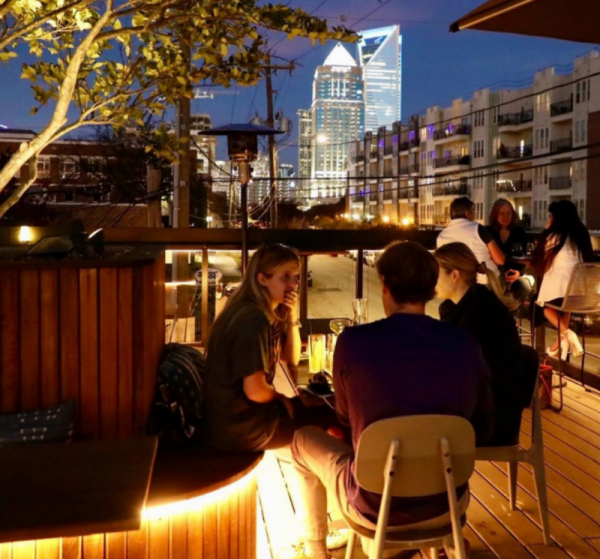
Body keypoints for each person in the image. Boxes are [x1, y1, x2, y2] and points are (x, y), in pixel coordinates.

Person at [287, 241, 494, 559]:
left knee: (302, 441)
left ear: (384, 285)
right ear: (431, 288)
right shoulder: (465, 343)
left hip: (373, 505)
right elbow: (483, 425)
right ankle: (437, 545)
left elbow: (345, 418)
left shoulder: (353, 342)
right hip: (447, 504)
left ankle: (315, 549)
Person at [203, 243, 334, 452]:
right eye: (285, 276)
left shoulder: (259, 310)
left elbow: (290, 359)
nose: (294, 284)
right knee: (333, 414)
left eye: (296, 277)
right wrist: (285, 400)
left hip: (229, 425)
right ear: (262, 279)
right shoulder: (253, 319)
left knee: (320, 404)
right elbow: (255, 390)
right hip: (242, 430)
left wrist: (292, 314)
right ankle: (347, 467)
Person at [435, 242, 524, 446]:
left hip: (491, 423)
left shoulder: (479, 315)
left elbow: (463, 375)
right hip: (494, 413)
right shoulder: (474, 304)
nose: (432, 280)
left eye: (436, 274)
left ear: (454, 275)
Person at [533, 200, 596, 359]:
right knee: (565, 307)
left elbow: (538, 258)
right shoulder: (581, 235)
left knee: (543, 308)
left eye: (551, 216)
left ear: (557, 218)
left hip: (561, 293)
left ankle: (569, 333)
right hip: (581, 295)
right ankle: (560, 344)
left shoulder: (553, 237)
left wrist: (546, 231)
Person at [437, 196, 505, 281]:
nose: (474, 215)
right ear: (467, 213)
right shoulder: (478, 229)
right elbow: (500, 260)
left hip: (458, 283)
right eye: (473, 211)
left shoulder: (441, 236)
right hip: (485, 281)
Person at [486, 198, 533, 308]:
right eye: (502, 213)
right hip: (494, 275)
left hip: (515, 276)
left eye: (508, 213)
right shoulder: (488, 232)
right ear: (495, 214)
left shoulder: (519, 232)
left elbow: (524, 257)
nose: (505, 216)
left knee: (523, 286)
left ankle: (508, 314)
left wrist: (519, 273)